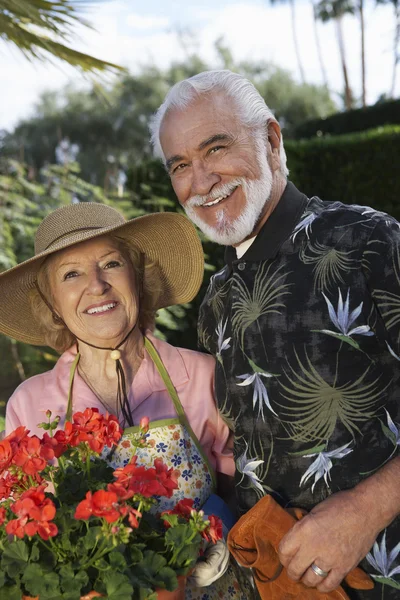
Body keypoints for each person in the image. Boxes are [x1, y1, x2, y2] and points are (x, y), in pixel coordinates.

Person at [150, 69, 400, 598]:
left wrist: (367, 508)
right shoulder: (216, 299)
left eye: (216, 148)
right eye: (180, 165)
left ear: (271, 139)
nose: (202, 181)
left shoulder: (370, 241)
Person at [0, 202, 251, 599]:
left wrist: (219, 527)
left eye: (112, 264)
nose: (97, 285)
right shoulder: (30, 404)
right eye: (71, 274)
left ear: (138, 277)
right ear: (52, 305)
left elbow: (251, 487)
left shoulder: (203, 376)